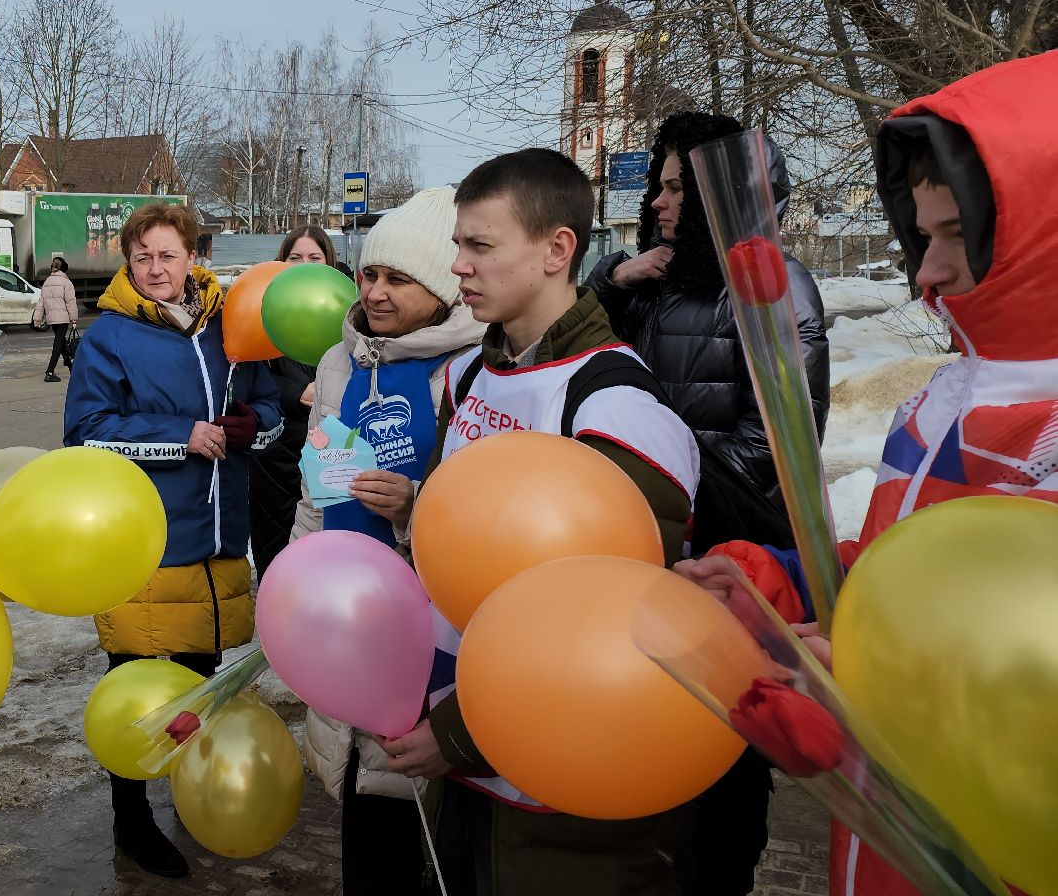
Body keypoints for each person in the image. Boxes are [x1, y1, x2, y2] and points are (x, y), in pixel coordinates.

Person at [677, 51, 1058, 896]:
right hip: (886, 845)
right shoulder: (945, 403)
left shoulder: (1044, 430)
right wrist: (773, 585)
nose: (926, 273)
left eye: (959, 235)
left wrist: (872, 671)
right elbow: (896, 575)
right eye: (922, 236)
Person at [409, 148, 700, 895]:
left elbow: (606, 627)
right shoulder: (473, 374)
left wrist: (454, 739)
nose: (460, 268)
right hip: (466, 772)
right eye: (458, 246)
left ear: (556, 249)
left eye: (480, 246)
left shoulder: (615, 408)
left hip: (559, 794)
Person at [587, 113, 830, 896]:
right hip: (656, 553)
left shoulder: (774, 285)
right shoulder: (660, 282)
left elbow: (777, 448)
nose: (658, 203)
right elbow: (597, 368)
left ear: (725, 194)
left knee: (723, 766)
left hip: (731, 563)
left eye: (675, 188)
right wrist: (608, 284)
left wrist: (654, 481)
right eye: (658, 186)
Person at [63, 202, 284, 879]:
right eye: (142, 257)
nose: (155, 268)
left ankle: (194, 801)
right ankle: (132, 822)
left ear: (193, 256)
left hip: (218, 544)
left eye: (167, 254)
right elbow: (86, 434)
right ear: (128, 264)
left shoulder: (231, 328)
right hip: (144, 547)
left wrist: (254, 427)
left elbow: (271, 416)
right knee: (134, 699)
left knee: (199, 690)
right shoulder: (110, 337)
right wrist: (179, 436)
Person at [285, 193, 485, 895]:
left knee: (421, 811)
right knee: (362, 810)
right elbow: (317, 491)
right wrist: (299, 586)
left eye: (397, 279)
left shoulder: (472, 367)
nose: (374, 292)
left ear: (439, 288)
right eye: (370, 275)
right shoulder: (340, 363)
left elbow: (488, 521)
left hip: (431, 634)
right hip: (349, 614)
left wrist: (414, 508)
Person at [247, 225, 344, 581]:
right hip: (276, 450)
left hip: (329, 445)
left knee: (323, 548)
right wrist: (294, 391)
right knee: (274, 545)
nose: (304, 265)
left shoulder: (345, 309)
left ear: (329, 262)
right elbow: (246, 376)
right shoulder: (263, 310)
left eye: (314, 258)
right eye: (295, 258)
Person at [32, 253, 79, 383]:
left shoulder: (47, 282)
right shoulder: (66, 282)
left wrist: (37, 319)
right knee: (58, 345)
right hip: (63, 318)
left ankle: (71, 366)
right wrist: (73, 319)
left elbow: (41, 302)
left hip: (52, 319)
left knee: (62, 342)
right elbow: (70, 302)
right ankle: (50, 372)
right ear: (63, 268)